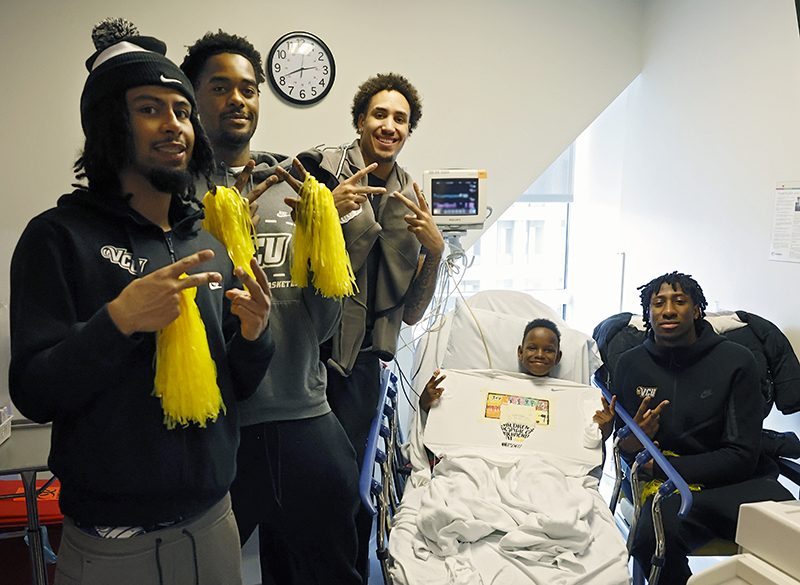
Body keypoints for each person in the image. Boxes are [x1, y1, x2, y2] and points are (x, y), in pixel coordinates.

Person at [8, 19, 275, 585]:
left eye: (181, 110)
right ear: (110, 125)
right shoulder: (57, 238)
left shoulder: (206, 243)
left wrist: (255, 336)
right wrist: (119, 322)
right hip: (114, 547)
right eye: (150, 108)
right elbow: (33, 392)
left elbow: (234, 387)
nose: (174, 125)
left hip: (215, 527)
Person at [181, 31, 362, 585]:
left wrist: (325, 235)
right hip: (220, 430)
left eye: (249, 88)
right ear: (190, 96)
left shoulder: (292, 188)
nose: (238, 99)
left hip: (308, 417)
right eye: (220, 87)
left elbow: (324, 323)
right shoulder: (171, 197)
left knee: (330, 571)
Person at [275, 73, 445, 581]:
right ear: (359, 120)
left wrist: (434, 253)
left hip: (365, 363)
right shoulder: (316, 169)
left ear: (408, 131)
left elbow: (411, 311)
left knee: (348, 488)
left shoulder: (408, 200)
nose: (389, 126)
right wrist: (325, 214)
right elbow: (279, 261)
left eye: (400, 119)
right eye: (379, 114)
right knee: (292, 488)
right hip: (307, 352)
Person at [612, 271, 794, 584]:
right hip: (671, 491)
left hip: (736, 483)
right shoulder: (630, 364)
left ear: (696, 310)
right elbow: (625, 446)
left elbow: (741, 455)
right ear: (649, 313)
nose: (668, 310)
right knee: (651, 538)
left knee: (789, 537)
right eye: (659, 303)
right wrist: (630, 443)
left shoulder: (736, 361)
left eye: (679, 301)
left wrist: (664, 467)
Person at [421, 318, 615, 440]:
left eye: (548, 350)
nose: (540, 354)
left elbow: (587, 441)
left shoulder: (570, 397)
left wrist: (606, 428)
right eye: (532, 348)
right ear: (520, 352)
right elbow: (459, 418)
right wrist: (426, 401)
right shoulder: (493, 386)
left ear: (558, 357)